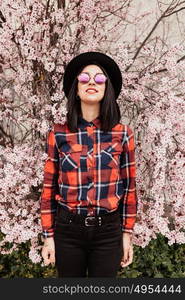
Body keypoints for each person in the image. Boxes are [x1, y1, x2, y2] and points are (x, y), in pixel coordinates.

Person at [40, 51, 137, 277]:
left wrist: (126, 235)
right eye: (84, 77)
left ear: (107, 88)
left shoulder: (122, 134)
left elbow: (130, 187)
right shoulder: (58, 134)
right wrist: (49, 237)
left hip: (108, 232)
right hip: (68, 231)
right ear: (76, 88)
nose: (92, 81)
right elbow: (48, 188)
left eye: (99, 78)